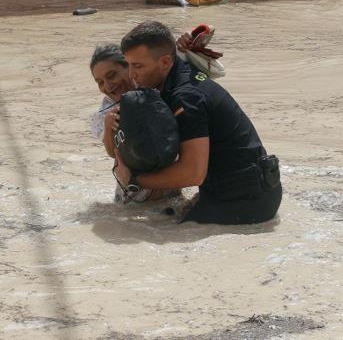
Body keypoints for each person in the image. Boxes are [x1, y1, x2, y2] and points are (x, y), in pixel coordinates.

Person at [114, 20, 282, 224]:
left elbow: (193, 173)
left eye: (138, 66)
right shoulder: (180, 75)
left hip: (244, 203)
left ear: (165, 62)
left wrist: (134, 180)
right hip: (255, 190)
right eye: (129, 65)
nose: (131, 75)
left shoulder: (187, 96)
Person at [89, 43, 178, 202]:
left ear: (129, 67)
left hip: (169, 185)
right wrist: (108, 127)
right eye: (100, 82)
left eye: (111, 75)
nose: (108, 86)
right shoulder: (107, 109)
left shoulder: (154, 90)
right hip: (131, 193)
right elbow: (112, 153)